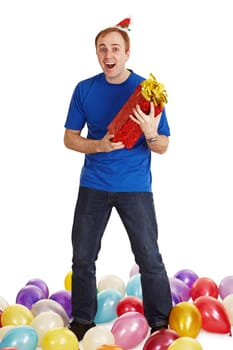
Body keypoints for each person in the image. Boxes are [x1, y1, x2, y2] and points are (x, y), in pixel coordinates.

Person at [63, 19, 173, 341]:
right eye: (102, 49)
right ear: (97, 54)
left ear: (127, 53)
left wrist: (152, 135)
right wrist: (97, 145)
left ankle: (160, 321)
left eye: (115, 48)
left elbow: (164, 144)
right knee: (82, 256)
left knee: (148, 256)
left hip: (135, 187)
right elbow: (70, 138)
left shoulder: (147, 92)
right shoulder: (85, 89)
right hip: (93, 184)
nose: (108, 54)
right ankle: (82, 320)